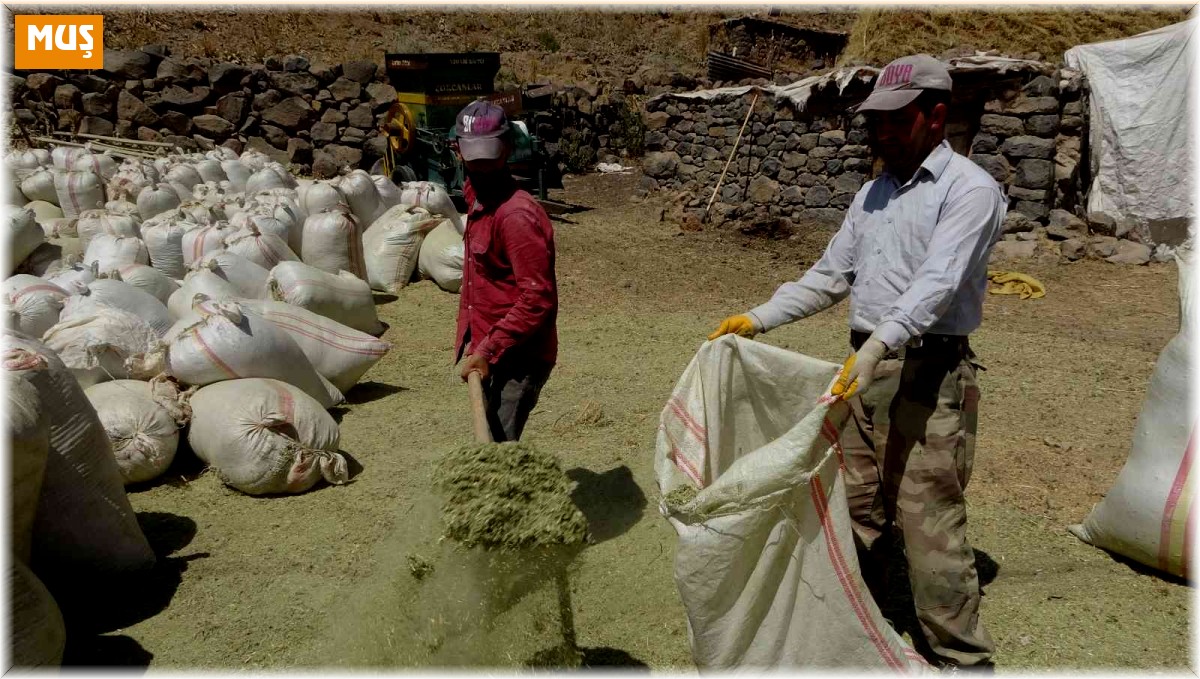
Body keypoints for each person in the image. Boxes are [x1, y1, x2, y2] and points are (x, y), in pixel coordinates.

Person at [709, 54, 1004, 670]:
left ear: (937, 116)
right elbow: (830, 275)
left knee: (928, 525)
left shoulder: (970, 191)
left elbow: (937, 284)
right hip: (864, 370)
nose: (882, 133)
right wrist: (759, 318)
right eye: (876, 122)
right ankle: (862, 625)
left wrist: (877, 347)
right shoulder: (872, 193)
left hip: (928, 371)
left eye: (897, 120)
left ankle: (961, 658)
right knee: (856, 509)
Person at [452, 99, 558, 442]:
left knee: (499, 451)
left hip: (519, 356)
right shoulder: (476, 194)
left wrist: (488, 349)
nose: (482, 167)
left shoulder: (516, 217)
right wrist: (477, 343)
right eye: (474, 159)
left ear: (508, 149)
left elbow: (537, 299)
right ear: (458, 152)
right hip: (490, 347)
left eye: (490, 157)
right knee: (492, 445)